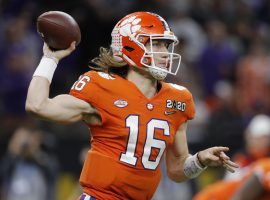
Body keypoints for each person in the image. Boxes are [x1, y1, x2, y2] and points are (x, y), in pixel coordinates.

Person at [25, 12, 238, 200]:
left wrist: (199, 160)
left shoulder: (179, 99)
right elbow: (37, 106)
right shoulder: (100, 86)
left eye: (166, 44)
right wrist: (50, 58)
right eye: (155, 44)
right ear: (129, 45)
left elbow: (176, 170)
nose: (164, 52)